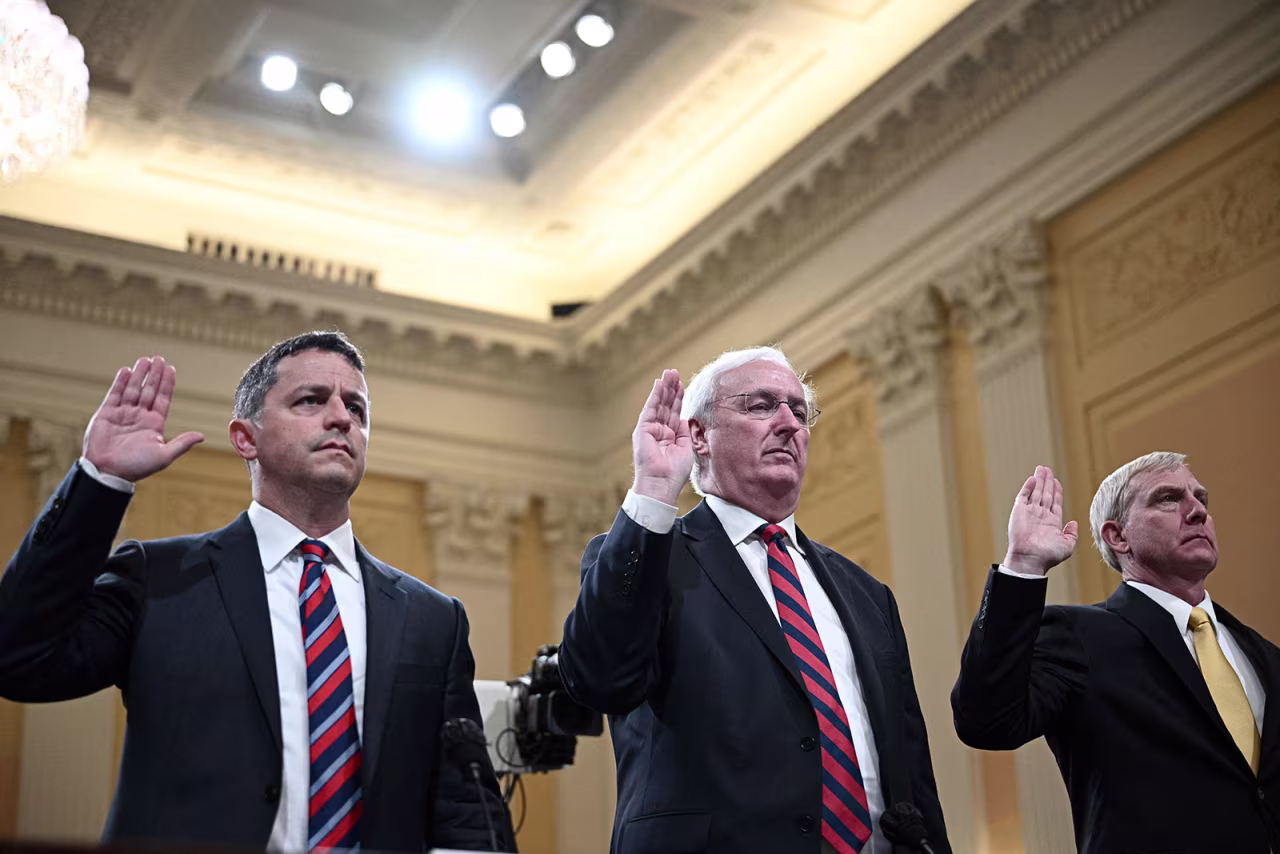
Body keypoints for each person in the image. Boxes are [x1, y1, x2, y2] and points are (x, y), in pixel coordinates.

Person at [0, 331, 514, 853]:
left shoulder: (432, 619)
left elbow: (465, 811)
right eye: (311, 400)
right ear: (246, 437)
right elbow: (19, 656)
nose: (341, 418)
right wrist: (100, 480)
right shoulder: (158, 578)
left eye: (356, 408)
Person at [559, 346, 950, 854]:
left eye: (799, 411)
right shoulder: (650, 556)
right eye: (761, 406)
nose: (789, 423)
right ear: (698, 435)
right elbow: (599, 680)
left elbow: (912, 772)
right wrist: (654, 489)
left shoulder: (867, 595)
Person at [952, 455, 1279, 852]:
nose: (1197, 512)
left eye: (1201, 499)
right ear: (1118, 537)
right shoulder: (1079, 637)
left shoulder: (1264, 655)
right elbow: (986, 720)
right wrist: (1023, 565)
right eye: (1168, 499)